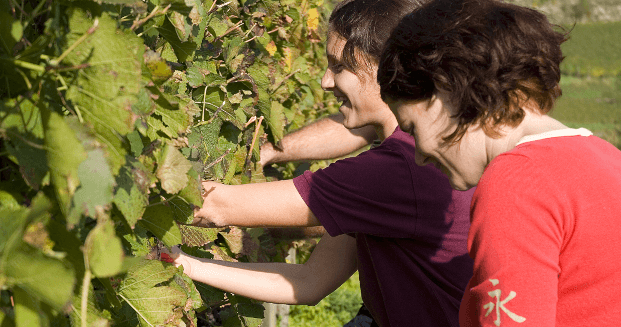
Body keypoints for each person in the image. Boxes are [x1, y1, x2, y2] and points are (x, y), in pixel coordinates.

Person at [165, 0, 476, 326]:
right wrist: (184, 263)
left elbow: (217, 207)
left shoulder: (393, 173)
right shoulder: (427, 148)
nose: (326, 81)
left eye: (339, 67)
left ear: (387, 67)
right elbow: (310, 281)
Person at [376, 0, 621, 325]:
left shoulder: (516, 184)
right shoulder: (614, 163)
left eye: (413, 129)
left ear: (447, 90)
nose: (418, 156)